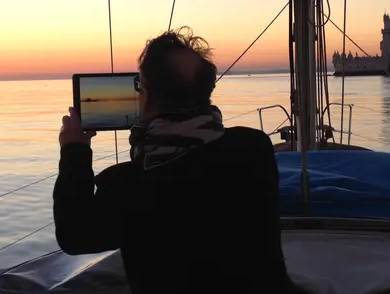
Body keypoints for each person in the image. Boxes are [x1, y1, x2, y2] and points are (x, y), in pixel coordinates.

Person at [53, 27, 297, 293]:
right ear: (206, 89)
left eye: (140, 86)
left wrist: (74, 150)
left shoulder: (129, 188)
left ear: (144, 99)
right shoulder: (254, 148)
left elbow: (73, 234)